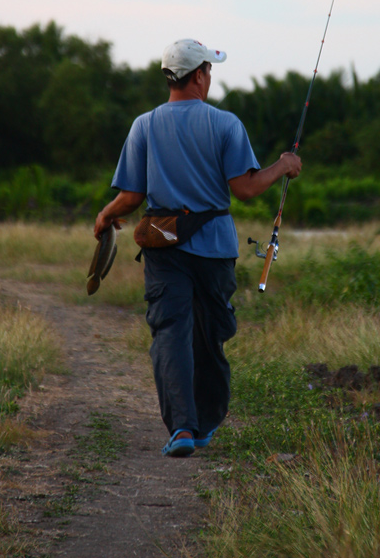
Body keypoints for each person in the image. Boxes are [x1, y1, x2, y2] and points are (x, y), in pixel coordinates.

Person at [94, 39, 301, 457]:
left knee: (171, 332)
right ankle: (204, 425)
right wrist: (283, 166)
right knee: (210, 337)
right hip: (216, 250)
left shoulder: (144, 125)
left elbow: (131, 197)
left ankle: (182, 429)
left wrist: (105, 215)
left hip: (163, 246)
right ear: (200, 74)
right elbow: (243, 190)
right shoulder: (226, 124)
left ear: (170, 76)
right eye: (210, 69)